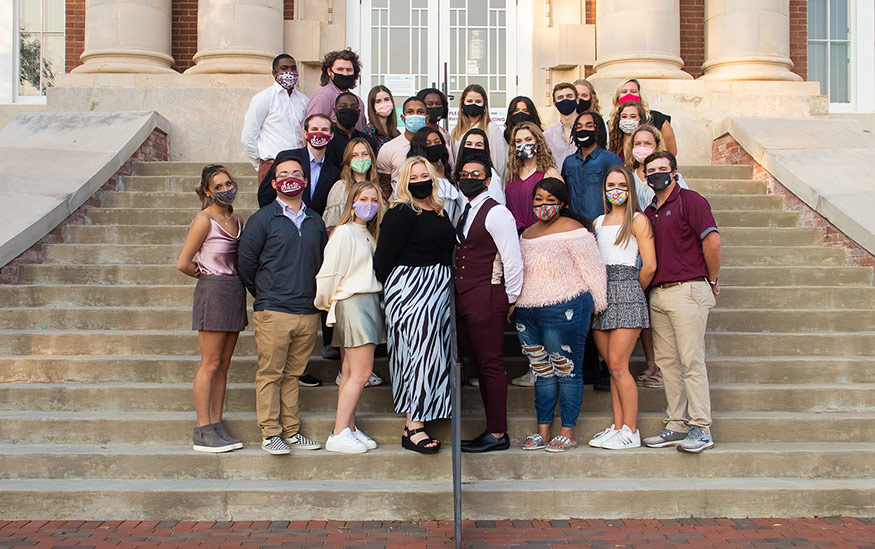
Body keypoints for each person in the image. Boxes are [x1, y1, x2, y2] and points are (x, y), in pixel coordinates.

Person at [237, 151, 327, 455]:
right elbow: (247, 265)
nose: (291, 179)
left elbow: (321, 262)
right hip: (274, 310)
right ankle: (270, 432)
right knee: (271, 373)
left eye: (297, 174)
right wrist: (266, 293)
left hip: (307, 312)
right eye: (284, 175)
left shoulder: (315, 220)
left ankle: (291, 430)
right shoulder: (262, 219)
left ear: (305, 181)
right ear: (274, 182)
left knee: (293, 376)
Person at [515, 177, 607, 453]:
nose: (543, 205)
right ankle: (543, 431)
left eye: (550, 200)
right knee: (541, 372)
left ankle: (568, 431)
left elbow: (593, 269)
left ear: (563, 203)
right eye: (538, 200)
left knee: (566, 370)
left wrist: (597, 306)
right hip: (527, 309)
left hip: (565, 306)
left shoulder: (575, 229)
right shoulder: (526, 232)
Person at [640, 151, 721, 454]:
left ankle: (701, 427)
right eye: (651, 170)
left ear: (674, 172)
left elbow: (712, 241)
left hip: (688, 290)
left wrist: (711, 280)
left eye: (663, 168)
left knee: (691, 361)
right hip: (659, 294)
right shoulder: (649, 211)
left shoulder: (691, 200)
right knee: (668, 364)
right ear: (644, 176)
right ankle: (676, 424)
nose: (657, 173)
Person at [374, 157, 456, 454]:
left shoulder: (439, 211)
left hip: (439, 289)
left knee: (434, 354)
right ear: (405, 181)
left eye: (425, 175)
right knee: (418, 354)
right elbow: (383, 258)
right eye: (414, 176)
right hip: (410, 289)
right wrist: (400, 294)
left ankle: (428, 411)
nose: (420, 179)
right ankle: (413, 426)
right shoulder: (401, 212)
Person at [176, 165, 248, 453]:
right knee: (210, 363)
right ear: (207, 191)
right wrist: (205, 274)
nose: (225, 189)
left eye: (228, 183)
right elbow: (183, 262)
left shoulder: (237, 218)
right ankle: (203, 429)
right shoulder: (204, 220)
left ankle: (217, 424)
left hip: (235, 290)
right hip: (214, 289)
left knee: (224, 365)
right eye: (218, 187)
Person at [454, 157, 523, 453]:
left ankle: (497, 433)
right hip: (465, 297)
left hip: (487, 295)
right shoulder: (464, 210)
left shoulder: (497, 213)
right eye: (465, 173)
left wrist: (510, 298)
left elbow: (513, 259)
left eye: (476, 174)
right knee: (480, 366)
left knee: (491, 365)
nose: (469, 177)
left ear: (487, 180)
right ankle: (491, 430)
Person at [315, 181, 387, 453]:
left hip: (367, 302)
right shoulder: (344, 232)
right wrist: (330, 303)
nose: (368, 204)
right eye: (363, 198)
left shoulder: (369, 234)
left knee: (349, 372)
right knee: (362, 372)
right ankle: (338, 432)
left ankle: (350, 427)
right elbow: (329, 274)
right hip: (353, 302)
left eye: (373, 199)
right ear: (352, 201)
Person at [588, 165, 656, 450]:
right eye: (610, 185)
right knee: (612, 368)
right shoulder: (597, 222)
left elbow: (649, 266)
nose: (616, 190)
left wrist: (632, 290)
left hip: (627, 287)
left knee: (619, 365)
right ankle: (617, 427)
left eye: (621, 185)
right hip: (601, 294)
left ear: (630, 189)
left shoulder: (638, 220)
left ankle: (631, 429)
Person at [241, 54, 309, 182]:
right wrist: (261, 164)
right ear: (274, 73)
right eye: (284, 68)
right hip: (272, 166)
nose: (289, 72)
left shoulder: (304, 101)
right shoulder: (263, 99)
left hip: (298, 167)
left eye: (293, 68)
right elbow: (248, 136)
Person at [561, 110, 622, 222]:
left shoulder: (610, 159)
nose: (583, 130)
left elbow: (620, 193)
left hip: (601, 225)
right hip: (575, 227)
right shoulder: (569, 162)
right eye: (579, 127)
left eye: (589, 126)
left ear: (598, 129)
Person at [504, 122, 562, 233]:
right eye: (518, 141)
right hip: (514, 237)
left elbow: (561, 209)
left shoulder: (550, 173)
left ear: (538, 142)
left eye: (528, 139)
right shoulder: (511, 174)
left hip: (540, 236)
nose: (524, 144)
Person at [626, 124, 689, 214]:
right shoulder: (627, 176)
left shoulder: (671, 176)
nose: (642, 147)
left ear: (656, 146)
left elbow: (686, 203)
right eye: (638, 144)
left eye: (648, 143)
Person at [450, 84, 508, 180]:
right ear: (463, 103)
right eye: (469, 101)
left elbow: (499, 164)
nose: (473, 104)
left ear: (484, 104)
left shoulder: (492, 129)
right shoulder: (456, 131)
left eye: (478, 101)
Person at [407, 126, 463, 223]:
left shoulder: (446, 170)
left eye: (437, 142)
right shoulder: (413, 173)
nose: (433, 146)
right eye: (428, 144)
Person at [375, 96, 428, 196]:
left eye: (420, 112)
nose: (415, 115)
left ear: (427, 118)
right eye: (410, 112)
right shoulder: (388, 148)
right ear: (403, 118)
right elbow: (385, 186)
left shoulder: (436, 147)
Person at [323, 138, 379, 232]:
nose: (360, 159)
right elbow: (330, 226)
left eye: (365, 154)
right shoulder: (340, 187)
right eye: (355, 155)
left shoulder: (376, 188)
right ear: (348, 160)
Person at [610, 79, 677, 156]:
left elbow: (671, 152)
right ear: (618, 96)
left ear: (640, 95)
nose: (629, 95)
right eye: (624, 92)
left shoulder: (657, 119)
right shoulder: (612, 123)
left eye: (633, 91)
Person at [306, 49, 367, 130]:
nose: (345, 73)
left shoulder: (358, 101)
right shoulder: (323, 97)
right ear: (329, 72)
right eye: (340, 69)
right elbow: (311, 129)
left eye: (349, 70)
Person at [324, 92, 378, 171]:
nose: (349, 109)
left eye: (353, 107)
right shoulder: (328, 141)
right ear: (335, 111)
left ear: (359, 112)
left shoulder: (368, 141)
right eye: (343, 106)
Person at [453, 128, 505, 204]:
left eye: (478, 145)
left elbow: (497, 202)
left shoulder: (491, 174)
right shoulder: (458, 173)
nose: (473, 148)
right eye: (469, 144)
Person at [543, 82, 580, 172]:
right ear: (555, 104)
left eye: (569, 96)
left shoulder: (589, 129)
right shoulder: (547, 135)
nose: (565, 100)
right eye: (560, 98)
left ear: (577, 100)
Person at [417, 87, 455, 168]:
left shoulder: (444, 133)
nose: (434, 107)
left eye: (438, 104)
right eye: (429, 104)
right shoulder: (417, 132)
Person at [363, 85, 400, 153]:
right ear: (372, 106)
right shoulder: (369, 132)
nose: (384, 104)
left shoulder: (396, 133)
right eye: (378, 101)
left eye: (386, 99)